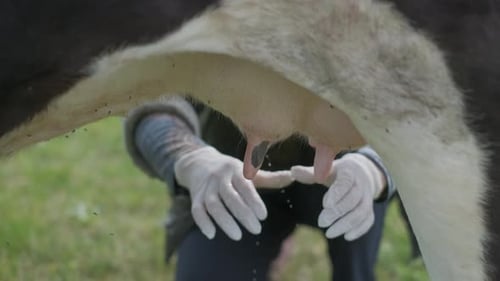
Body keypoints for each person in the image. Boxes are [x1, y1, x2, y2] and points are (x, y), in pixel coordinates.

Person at [124, 97, 395, 281]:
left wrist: (374, 166)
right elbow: (152, 95)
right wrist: (187, 154)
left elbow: (413, 109)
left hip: (340, 173)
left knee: (354, 238)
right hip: (236, 177)